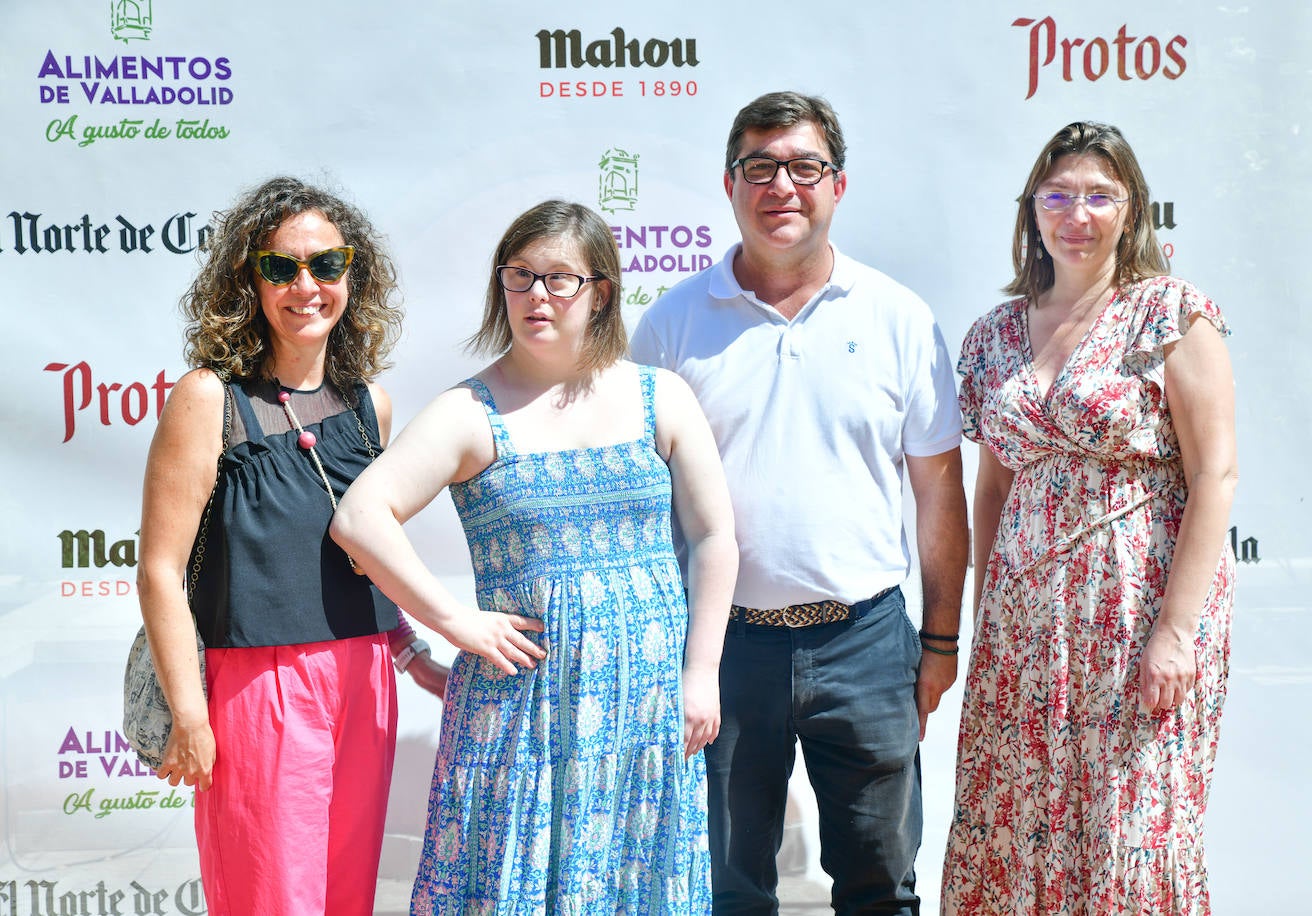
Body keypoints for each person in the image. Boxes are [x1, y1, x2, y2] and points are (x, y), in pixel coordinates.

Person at [331, 199, 737, 913]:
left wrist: (699, 672)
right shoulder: (470, 411)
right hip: (523, 720)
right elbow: (360, 517)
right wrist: (454, 621)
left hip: (642, 715)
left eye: (559, 278)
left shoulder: (659, 396)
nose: (537, 296)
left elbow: (713, 537)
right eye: (520, 277)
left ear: (600, 291)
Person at [631, 91, 969, 915]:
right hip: (723, 648)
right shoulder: (672, 326)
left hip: (868, 645)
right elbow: (642, 505)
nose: (782, 185)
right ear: (730, 183)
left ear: (838, 186)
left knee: (880, 887)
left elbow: (937, 497)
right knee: (728, 889)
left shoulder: (898, 318)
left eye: (804, 167)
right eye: (760, 167)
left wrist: (940, 640)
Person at [940, 121, 1237, 914]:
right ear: (1032, 210)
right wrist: (985, 623)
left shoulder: (1170, 314)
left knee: (1133, 828)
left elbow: (1215, 474)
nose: (1078, 213)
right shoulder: (996, 334)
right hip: (1026, 626)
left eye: (1100, 195)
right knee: (1021, 819)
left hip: (1135, 616)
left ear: (1131, 207)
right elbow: (994, 490)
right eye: (1059, 194)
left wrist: (1175, 631)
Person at [134, 176, 445, 914]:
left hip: (364, 679)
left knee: (345, 897)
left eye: (326, 265)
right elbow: (159, 570)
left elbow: (358, 552)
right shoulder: (210, 398)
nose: (305, 286)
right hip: (256, 685)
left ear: (352, 276)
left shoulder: (372, 403)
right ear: (251, 280)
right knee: (269, 897)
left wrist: (407, 651)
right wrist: (190, 715)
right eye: (280, 267)